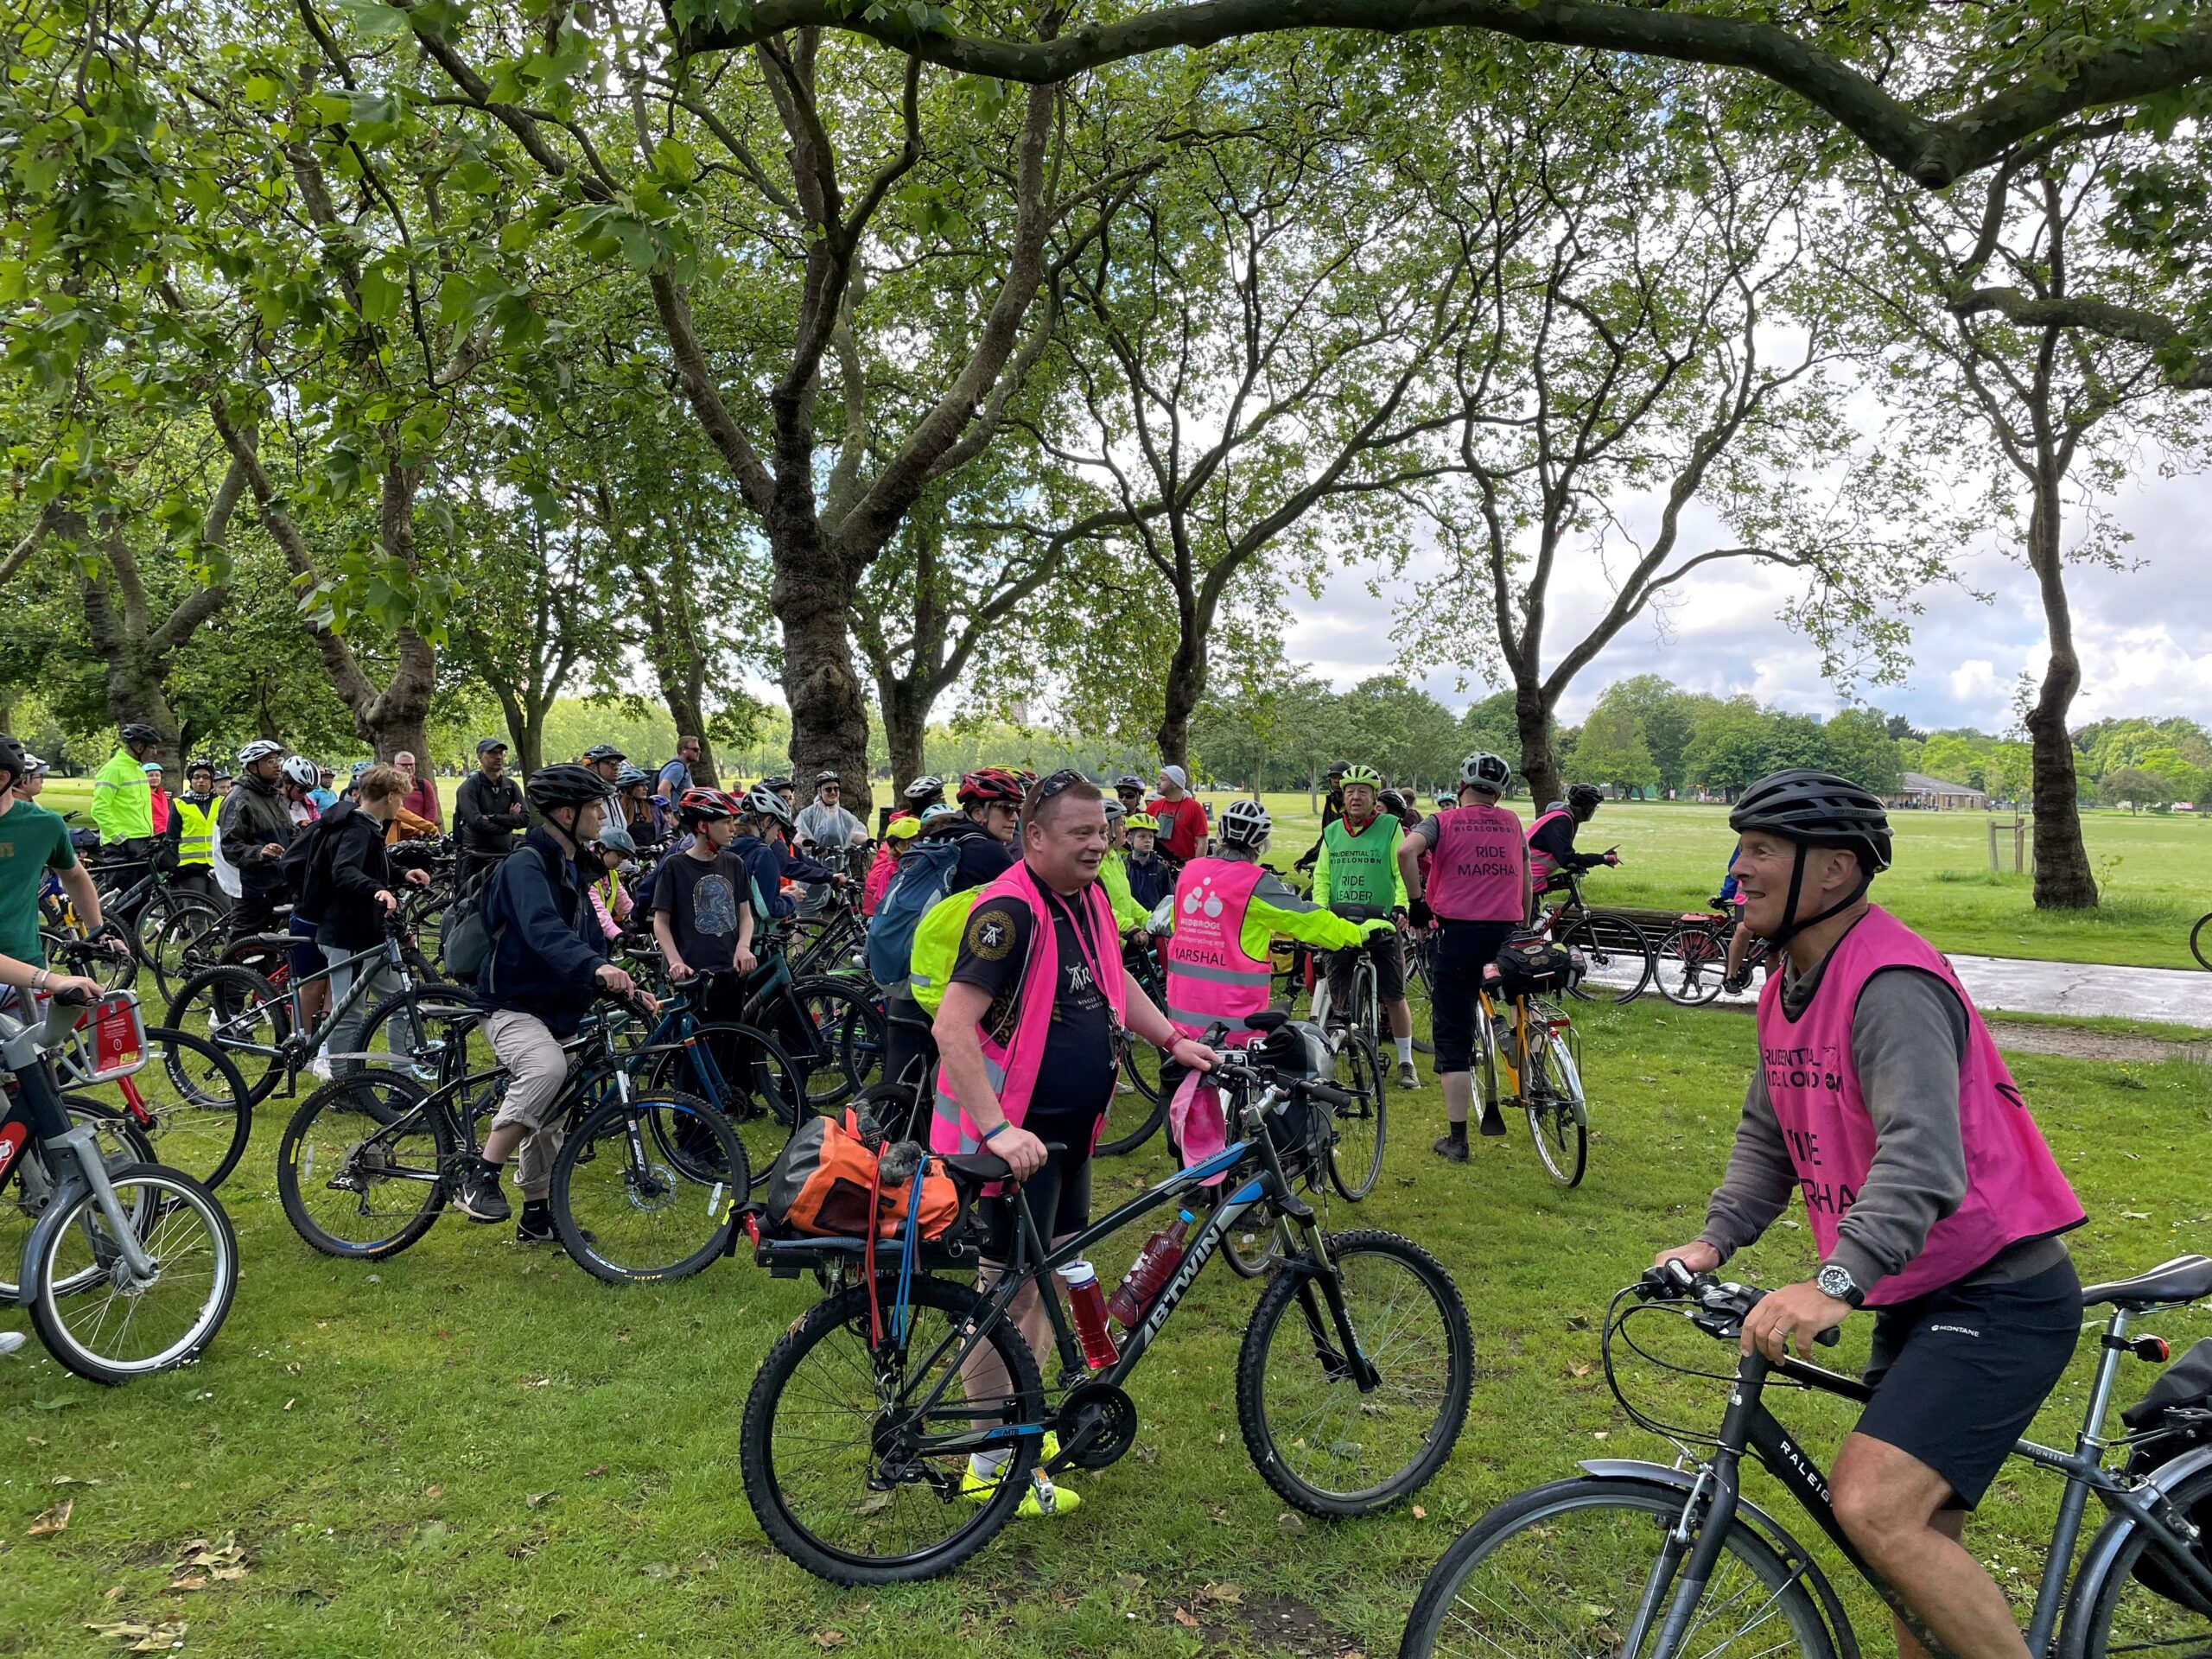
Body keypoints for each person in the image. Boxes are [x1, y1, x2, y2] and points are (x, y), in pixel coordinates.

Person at [1654, 769, 2084, 1659]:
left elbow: (1922, 1157)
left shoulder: (1888, 982)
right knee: (1908, 1550)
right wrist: (1712, 1240)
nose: (1741, 870)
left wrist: (1835, 1280)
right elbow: (1768, 1136)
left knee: (1874, 1507)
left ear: (1835, 871)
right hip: (1919, 1290)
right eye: (1741, 848)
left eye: (1763, 850)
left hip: (1997, 1292)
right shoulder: (1789, 983)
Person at [932, 772, 1217, 1520]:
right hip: (1015, 1145)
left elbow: (1112, 976)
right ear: (1034, 837)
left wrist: (1173, 1039)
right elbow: (951, 1029)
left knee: (1052, 1282)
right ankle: (988, 1465)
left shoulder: (1085, 900)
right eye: (1079, 833)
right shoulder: (1008, 914)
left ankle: (1022, 1433)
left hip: (1069, 1139)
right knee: (1011, 1292)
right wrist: (997, 1128)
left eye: (1103, 830)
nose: (1099, 843)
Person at [452, 766, 653, 1242]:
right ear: (567, 814)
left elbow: (584, 937)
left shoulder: (573, 866)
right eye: (595, 806)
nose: (603, 813)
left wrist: (623, 984)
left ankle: (536, 1215)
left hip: (556, 1004)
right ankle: (479, 1176)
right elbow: (542, 929)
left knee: (554, 1114)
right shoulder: (525, 866)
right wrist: (594, 968)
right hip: (511, 1003)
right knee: (545, 1070)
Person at [1158, 797, 1387, 1064]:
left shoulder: (1190, 871)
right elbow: (1307, 919)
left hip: (1180, 1017)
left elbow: (1182, 923)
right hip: (1233, 1023)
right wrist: (1357, 933)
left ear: (1220, 835)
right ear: (1261, 845)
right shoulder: (1254, 883)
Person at [1397, 753, 1530, 1158]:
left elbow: (1406, 852)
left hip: (1455, 935)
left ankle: (1458, 1139)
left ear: (1461, 786)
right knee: (1518, 999)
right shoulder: (1511, 822)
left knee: (1453, 1035)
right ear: (1500, 792)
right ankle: (1530, 1066)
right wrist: (1523, 921)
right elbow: (1525, 877)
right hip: (1505, 932)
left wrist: (1418, 904)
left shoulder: (1443, 821)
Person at [878, 768, 1024, 1091]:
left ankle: (876, 1137)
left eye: (1017, 809)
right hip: (947, 987)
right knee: (953, 1091)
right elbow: (1024, 909)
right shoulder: (991, 853)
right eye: (1005, 808)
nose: (1014, 817)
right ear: (977, 812)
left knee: (898, 1089)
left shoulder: (941, 837)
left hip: (912, 976)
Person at [297, 764, 432, 1077]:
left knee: (401, 1000)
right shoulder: (357, 828)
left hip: (369, 933)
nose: (402, 805)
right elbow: (344, 871)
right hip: (347, 934)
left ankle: (403, 1076)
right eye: (401, 798)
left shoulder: (365, 825)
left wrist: (400, 874)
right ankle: (343, 1085)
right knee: (350, 1013)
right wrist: (378, 891)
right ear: (388, 797)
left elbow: (371, 865)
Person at [1313, 763, 1418, 1087]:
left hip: (1381, 920)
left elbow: (1400, 871)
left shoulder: (1390, 826)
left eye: (1363, 792)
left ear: (1374, 798)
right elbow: (1322, 877)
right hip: (1341, 922)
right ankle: (1345, 1047)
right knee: (1339, 993)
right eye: (1349, 792)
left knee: (1394, 995)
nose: (1355, 797)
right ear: (1342, 797)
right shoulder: (1332, 832)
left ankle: (1405, 1062)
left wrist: (1401, 905)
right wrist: (1318, 911)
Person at [0, 737, 119, 1007]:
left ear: (2, 778)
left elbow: (74, 875)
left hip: (24, 975)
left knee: (50, 1048)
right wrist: (50, 980)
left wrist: (97, 930)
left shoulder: (44, 826)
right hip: (35, 977)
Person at [651, 788, 759, 1080]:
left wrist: (743, 947)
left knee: (727, 1047)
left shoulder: (734, 864)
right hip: (693, 977)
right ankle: (688, 1120)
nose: (733, 829)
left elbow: (745, 916)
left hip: (730, 971)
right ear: (702, 826)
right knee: (692, 1053)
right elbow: (660, 922)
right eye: (725, 822)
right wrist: (674, 961)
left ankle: (724, 1112)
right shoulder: (675, 866)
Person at [217, 741, 298, 943]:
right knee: (244, 940)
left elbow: (290, 832)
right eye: (270, 761)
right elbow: (230, 846)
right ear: (252, 768)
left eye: (277, 759)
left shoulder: (274, 795)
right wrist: (260, 852)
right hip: (251, 884)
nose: (277, 765)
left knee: (272, 941)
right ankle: (224, 974)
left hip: (277, 879)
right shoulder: (238, 799)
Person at [454, 737, 526, 886]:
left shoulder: (511, 786)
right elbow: (476, 822)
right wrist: (510, 821)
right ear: (480, 757)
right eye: (492, 753)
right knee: (471, 905)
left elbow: (525, 819)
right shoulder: (469, 787)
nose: (498, 757)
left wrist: (495, 817)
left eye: (501, 753)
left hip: (504, 855)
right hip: (475, 857)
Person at [1527, 782, 1616, 899]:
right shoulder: (1561, 821)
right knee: (1528, 917)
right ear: (1588, 809)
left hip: (1530, 880)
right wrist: (1602, 858)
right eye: (1595, 808)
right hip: (1525, 881)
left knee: (1535, 916)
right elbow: (1567, 859)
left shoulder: (1562, 818)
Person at [91, 721, 162, 859]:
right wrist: (119, 838)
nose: (154, 752)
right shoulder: (112, 770)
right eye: (152, 747)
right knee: (123, 881)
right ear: (140, 747)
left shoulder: (139, 770)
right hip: (122, 846)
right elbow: (99, 808)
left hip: (142, 839)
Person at [166, 760, 225, 906]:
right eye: (196, 777)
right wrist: (173, 867)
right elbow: (172, 837)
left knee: (225, 909)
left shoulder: (222, 802)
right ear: (191, 781)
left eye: (206, 777)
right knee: (196, 914)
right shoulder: (180, 804)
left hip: (217, 865)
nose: (201, 781)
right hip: (190, 867)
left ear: (212, 781)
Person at [1094, 798, 1151, 932]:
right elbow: (1096, 905)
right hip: (1107, 937)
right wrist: (1126, 925)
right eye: (1120, 824)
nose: (1125, 828)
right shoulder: (1095, 862)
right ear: (1106, 828)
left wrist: (1148, 919)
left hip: (1123, 938)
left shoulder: (1115, 857)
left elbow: (1126, 899)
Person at [1294, 761, 1351, 874]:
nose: (1336, 780)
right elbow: (1327, 837)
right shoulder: (1331, 803)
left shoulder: (1355, 806)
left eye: (1340, 777)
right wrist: (1307, 858)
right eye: (1333, 777)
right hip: (1332, 860)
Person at [1714, 845, 1758, 995]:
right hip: (1746, 896)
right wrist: (1726, 893)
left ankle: (1775, 992)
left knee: (1774, 946)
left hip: (1773, 897)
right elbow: (1735, 866)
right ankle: (1730, 976)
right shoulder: (1748, 840)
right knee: (1743, 929)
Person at [1146, 765, 1209, 865]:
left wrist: (1195, 868)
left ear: (1175, 783)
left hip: (1183, 867)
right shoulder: (1153, 807)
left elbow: (1202, 841)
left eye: (1163, 779)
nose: (1158, 783)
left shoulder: (1195, 808)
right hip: (1156, 867)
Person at [863, 814, 921, 916]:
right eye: (906, 844)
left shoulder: (923, 865)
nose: (912, 848)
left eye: (917, 842)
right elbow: (881, 900)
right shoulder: (891, 870)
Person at [1122, 812, 1175, 913]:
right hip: (1130, 922)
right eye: (1142, 836)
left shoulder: (1160, 868)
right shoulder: (1123, 866)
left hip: (1154, 922)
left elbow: (1168, 901)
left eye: (1151, 837)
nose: (1148, 840)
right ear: (1129, 839)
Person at [614, 766, 671, 854]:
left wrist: (667, 843)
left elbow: (666, 832)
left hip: (654, 857)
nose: (646, 788)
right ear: (629, 787)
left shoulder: (653, 806)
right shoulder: (616, 809)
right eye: (641, 785)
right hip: (628, 858)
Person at [395, 750, 441, 829]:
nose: (409, 768)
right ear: (396, 766)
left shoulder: (423, 785)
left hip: (419, 833)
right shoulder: (389, 785)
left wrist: (426, 829)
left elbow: (431, 810)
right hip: (395, 833)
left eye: (411, 764)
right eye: (404, 765)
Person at [657, 734, 702, 802]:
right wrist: (668, 810)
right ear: (684, 750)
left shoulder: (679, 766)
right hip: (675, 811)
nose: (698, 752)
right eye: (695, 750)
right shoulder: (678, 768)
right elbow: (662, 789)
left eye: (699, 749)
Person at [143, 761, 171, 836]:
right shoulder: (142, 795)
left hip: (165, 833)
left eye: (157, 775)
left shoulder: (162, 794)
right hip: (152, 835)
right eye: (150, 776)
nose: (155, 778)